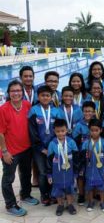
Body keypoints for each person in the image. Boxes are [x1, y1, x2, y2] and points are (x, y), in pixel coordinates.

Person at [0, 80, 39, 217]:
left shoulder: (27, 105)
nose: (16, 93)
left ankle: (25, 195)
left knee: (26, 174)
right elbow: (0, 133)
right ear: (9, 93)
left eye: (18, 90)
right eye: (13, 91)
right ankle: (10, 204)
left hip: (26, 148)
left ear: (22, 92)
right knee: (8, 179)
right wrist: (4, 152)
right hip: (10, 151)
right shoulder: (3, 109)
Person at [28, 85, 62, 206]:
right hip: (39, 149)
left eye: (47, 95)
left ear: (51, 97)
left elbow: (59, 129)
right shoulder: (34, 110)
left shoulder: (56, 111)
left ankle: (54, 193)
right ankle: (44, 194)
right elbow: (32, 131)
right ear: (38, 96)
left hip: (53, 147)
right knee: (42, 172)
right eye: (42, 95)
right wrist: (41, 148)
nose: (45, 97)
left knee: (54, 170)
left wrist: (53, 146)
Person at [47, 119, 78, 216]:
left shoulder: (71, 142)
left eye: (62, 131)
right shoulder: (52, 144)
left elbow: (76, 158)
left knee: (69, 189)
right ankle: (60, 205)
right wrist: (49, 175)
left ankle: (70, 204)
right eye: (58, 131)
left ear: (66, 130)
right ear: (54, 131)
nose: (60, 133)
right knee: (58, 189)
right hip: (57, 173)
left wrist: (76, 172)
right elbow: (48, 160)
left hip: (69, 172)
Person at [81, 119, 104, 212]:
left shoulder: (103, 143)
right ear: (89, 130)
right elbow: (82, 157)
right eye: (92, 130)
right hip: (89, 170)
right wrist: (83, 167)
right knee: (89, 187)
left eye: (96, 130)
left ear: (101, 130)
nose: (94, 132)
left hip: (101, 170)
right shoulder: (86, 143)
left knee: (102, 187)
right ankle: (90, 202)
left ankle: (102, 202)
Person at [72, 101, 96, 205]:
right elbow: (74, 140)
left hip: (95, 154)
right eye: (85, 111)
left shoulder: (97, 123)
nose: (88, 113)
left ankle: (95, 193)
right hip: (81, 155)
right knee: (81, 175)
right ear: (82, 112)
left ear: (94, 112)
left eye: (90, 111)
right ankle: (81, 194)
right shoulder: (79, 125)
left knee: (94, 173)